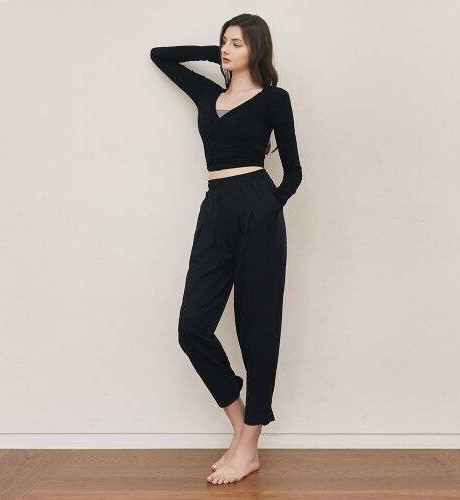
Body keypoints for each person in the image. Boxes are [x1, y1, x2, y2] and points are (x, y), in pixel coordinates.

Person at [150, 13, 303, 485]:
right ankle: (239, 426)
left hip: (257, 207)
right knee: (192, 327)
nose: (227, 48)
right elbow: (161, 57)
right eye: (224, 42)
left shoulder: (274, 99)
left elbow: (294, 171)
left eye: (237, 43)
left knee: (258, 328)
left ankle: (250, 445)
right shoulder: (207, 95)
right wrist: (214, 51)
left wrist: (268, 206)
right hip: (215, 208)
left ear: (257, 48)